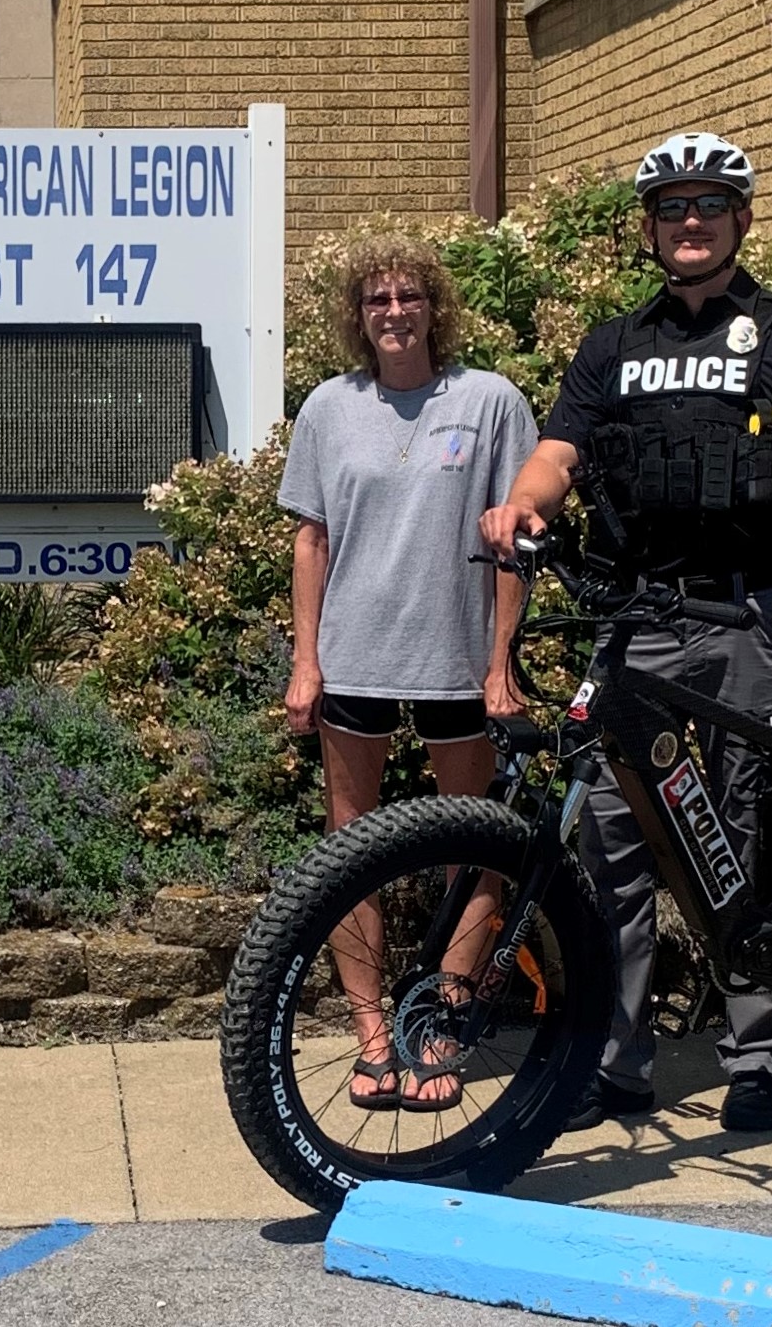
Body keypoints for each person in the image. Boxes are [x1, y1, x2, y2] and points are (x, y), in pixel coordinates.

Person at [481, 132, 772, 1134]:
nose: (688, 221)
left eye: (708, 204)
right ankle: (616, 1062)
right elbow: (553, 455)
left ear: (740, 219)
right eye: (670, 206)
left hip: (752, 622)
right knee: (616, 845)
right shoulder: (610, 345)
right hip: (639, 621)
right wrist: (521, 507)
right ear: (648, 226)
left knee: (746, 833)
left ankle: (756, 1056)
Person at [279, 232, 537, 1110]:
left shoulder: (489, 401)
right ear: (358, 319)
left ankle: (441, 1024)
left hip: (457, 663)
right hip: (354, 656)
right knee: (349, 853)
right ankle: (371, 1033)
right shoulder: (327, 408)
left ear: (434, 308)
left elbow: (514, 545)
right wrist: (305, 661)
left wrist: (500, 663)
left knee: (476, 848)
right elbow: (309, 540)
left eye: (408, 297)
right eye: (376, 300)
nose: (394, 312)